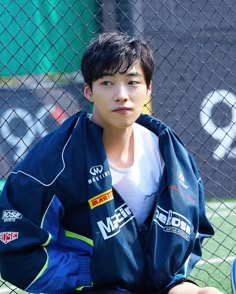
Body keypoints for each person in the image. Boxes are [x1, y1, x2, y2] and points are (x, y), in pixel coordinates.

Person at [0, 31, 223, 294]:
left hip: (161, 284)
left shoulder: (170, 152)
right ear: (88, 91)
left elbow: (196, 229)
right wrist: (87, 274)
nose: (121, 95)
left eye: (132, 82)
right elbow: (11, 245)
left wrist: (176, 279)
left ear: (148, 88)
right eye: (107, 83)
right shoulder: (55, 160)